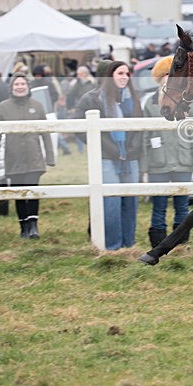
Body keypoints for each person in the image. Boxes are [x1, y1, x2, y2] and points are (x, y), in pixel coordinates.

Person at [74, 61, 142, 250]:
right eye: (120, 73)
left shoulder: (134, 98)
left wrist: (132, 149)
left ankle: (129, 244)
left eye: (127, 73)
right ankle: (112, 247)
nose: (124, 77)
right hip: (106, 157)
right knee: (111, 201)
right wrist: (108, 148)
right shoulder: (92, 98)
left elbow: (141, 127)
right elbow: (78, 127)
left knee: (131, 200)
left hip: (130, 158)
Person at [142, 56, 193, 248]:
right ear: (159, 77)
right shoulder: (150, 103)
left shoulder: (188, 102)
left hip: (183, 158)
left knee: (182, 203)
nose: (169, 78)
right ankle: (158, 241)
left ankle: (180, 242)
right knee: (159, 204)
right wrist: (144, 166)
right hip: (157, 161)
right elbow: (145, 136)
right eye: (166, 74)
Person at [0, 73, 55, 239]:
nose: (20, 87)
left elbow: (46, 133)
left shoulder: (37, 105)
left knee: (32, 190)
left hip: (34, 157)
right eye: (16, 84)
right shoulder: (4, 107)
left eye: (22, 84)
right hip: (14, 158)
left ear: (28, 86)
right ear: (12, 88)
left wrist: (50, 157)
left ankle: (34, 226)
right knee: (19, 192)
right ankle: (24, 227)